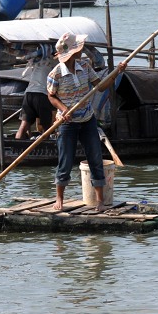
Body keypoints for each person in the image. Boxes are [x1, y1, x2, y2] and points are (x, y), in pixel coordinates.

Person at [46, 32, 106, 212]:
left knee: (95, 157)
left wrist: (118, 71)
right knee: (65, 160)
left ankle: (100, 200)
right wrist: (64, 110)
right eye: (79, 49)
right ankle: (59, 199)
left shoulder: (85, 66)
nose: (82, 51)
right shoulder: (55, 73)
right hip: (66, 123)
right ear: (72, 53)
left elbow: (100, 86)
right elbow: (51, 96)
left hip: (87, 118)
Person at [15, 43, 54, 140]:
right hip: (42, 95)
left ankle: (17, 144)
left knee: (24, 126)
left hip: (28, 94)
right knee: (47, 128)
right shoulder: (54, 61)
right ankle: (45, 147)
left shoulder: (35, 60)